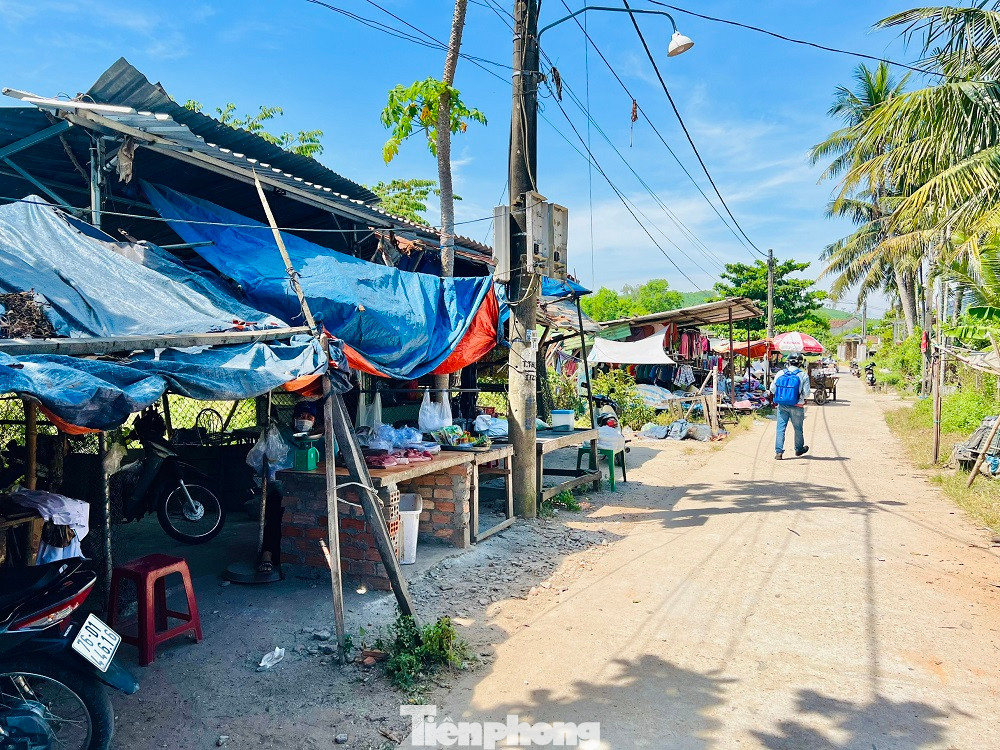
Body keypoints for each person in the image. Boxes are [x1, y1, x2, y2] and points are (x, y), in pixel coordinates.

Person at [770, 352, 811, 460]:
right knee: (798, 428)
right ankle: (798, 449)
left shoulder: (780, 373)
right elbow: (806, 394)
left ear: (788, 361)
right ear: (800, 363)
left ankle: (779, 452)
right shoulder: (803, 375)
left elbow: (772, 389)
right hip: (797, 405)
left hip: (782, 405)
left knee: (780, 429)